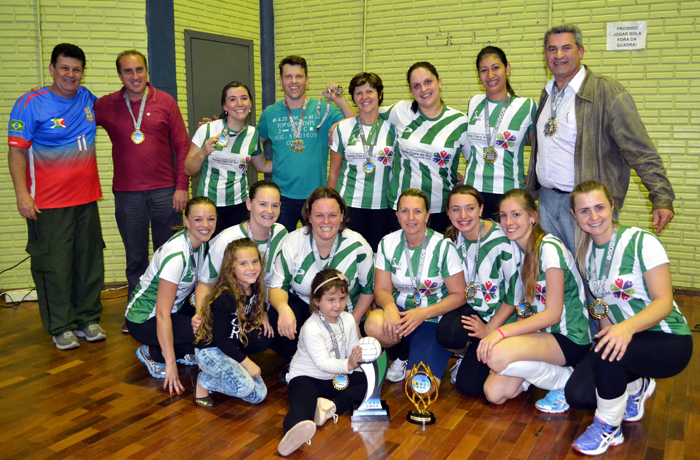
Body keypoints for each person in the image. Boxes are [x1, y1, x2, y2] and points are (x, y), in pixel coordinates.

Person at [564, 181, 691, 456]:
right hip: (629, 337)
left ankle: (609, 428)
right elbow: (602, 307)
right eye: (584, 211)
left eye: (599, 207)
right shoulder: (586, 253)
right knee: (578, 395)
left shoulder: (642, 241)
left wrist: (623, 331)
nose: (594, 217)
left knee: (607, 355)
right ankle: (637, 384)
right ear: (574, 215)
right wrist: (605, 337)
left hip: (668, 339)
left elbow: (664, 302)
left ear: (612, 205)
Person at [526, 24, 674, 257]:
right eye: (552, 49)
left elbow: (639, 149)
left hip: (587, 206)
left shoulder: (606, 92)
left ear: (581, 51)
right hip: (546, 203)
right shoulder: (547, 94)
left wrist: (661, 197)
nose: (559, 55)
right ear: (545, 55)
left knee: (591, 275)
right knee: (556, 271)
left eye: (566, 48)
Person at [8, 43, 106, 350]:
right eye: (64, 68)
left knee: (88, 262)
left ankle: (86, 318)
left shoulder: (88, 99)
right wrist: (23, 195)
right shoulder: (30, 103)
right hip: (48, 204)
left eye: (76, 69)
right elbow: (16, 153)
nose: (70, 75)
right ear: (52, 69)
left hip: (86, 199)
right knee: (54, 266)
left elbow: (121, 112)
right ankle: (60, 325)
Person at [94, 49, 190, 314]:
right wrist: (48, 91)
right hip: (127, 195)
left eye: (139, 70)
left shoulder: (165, 101)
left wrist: (182, 186)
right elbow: (75, 105)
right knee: (135, 259)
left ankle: (167, 310)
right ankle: (136, 313)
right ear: (120, 75)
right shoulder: (107, 105)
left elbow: (182, 145)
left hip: (165, 193)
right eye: (128, 71)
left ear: (146, 71)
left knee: (167, 256)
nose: (135, 76)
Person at [478, 189, 590, 411]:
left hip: (569, 338)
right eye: (503, 215)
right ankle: (538, 375)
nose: (508, 222)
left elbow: (552, 314)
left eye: (516, 214)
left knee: (496, 354)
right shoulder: (522, 253)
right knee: (495, 393)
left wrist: (500, 335)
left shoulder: (549, 248)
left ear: (533, 217)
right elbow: (520, 306)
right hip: (543, 337)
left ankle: (564, 380)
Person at [365, 189, 465, 384]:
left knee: (420, 388)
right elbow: (381, 290)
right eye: (404, 211)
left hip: (431, 320)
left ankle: (427, 354)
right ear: (397, 215)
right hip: (402, 315)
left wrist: (424, 313)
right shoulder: (387, 242)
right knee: (374, 323)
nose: (411, 218)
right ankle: (403, 356)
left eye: (417, 212)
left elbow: (459, 295)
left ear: (428, 215)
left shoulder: (443, 246)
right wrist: (390, 307)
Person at [268, 187, 375, 363]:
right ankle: (302, 361)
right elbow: (277, 286)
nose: (326, 221)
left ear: (342, 216)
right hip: (305, 308)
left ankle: (325, 360)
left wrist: (353, 322)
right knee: (275, 319)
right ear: (309, 217)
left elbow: (368, 289)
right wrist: (283, 309)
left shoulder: (358, 245)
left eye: (332, 215)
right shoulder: (293, 242)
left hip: (344, 311)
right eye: (319, 215)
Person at [125, 197, 216, 395]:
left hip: (173, 308)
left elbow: (200, 286)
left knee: (208, 320)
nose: (206, 225)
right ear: (186, 220)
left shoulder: (200, 244)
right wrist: (171, 364)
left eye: (211, 219)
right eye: (198, 219)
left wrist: (199, 313)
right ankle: (152, 352)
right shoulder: (177, 255)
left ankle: (182, 347)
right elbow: (162, 314)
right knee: (207, 330)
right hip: (144, 319)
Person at [435, 185, 520, 396]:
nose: (463, 216)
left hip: (504, 318)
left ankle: (513, 365)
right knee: (447, 332)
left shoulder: (504, 239)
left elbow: (515, 295)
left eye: (470, 208)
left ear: (481, 209)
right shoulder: (453, 240)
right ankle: (470, 352)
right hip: (475, 311)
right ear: (447, 212)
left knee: (470, 386)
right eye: (455, 209)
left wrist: (490, 329)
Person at [257, 55, 355, 231]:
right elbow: (252, 140)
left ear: (307, 80)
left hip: (316, 197)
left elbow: (356, 125)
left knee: (317, 247)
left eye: (299, 76)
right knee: (279, 247)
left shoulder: (324, 109)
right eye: (288, 77)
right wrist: (223, 127)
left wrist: (339, 99)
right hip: (281, 197)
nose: (293, 82)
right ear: (280, 81)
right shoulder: (270, 113)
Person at [277, 269, 366, 457]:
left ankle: (329, 407)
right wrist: (349, 365)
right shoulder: (311, 327)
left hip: (336, 376)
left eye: (342, 299)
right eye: (331, 300)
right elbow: (323, 363)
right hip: (307, 377)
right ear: (317, 301)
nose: (338, 305)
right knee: (302, 407)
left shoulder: (348, 319)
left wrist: (360, 357)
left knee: (368, 384)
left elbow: (352, 348)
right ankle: (291, 435)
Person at [379, 62, 470, 233]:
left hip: (440, 209)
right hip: (402, 208)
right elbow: (366, 113)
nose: (423, 89)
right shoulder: (401, 111)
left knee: (438, 258)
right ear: (411, 91)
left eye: (428, 82)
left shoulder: (460, 121)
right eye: (416, 86)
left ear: (439, 82)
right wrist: (340, 122)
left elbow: (477, 162)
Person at [192, 238, 273, 407]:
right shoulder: (226, 296)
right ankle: (203, 380)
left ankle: (223, 377)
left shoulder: (254, 289)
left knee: (259, 395)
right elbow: (221, 339)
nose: (251, 268)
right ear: (231, 268)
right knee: (244, 387)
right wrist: (246, 362)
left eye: (254, 262)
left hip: (230, 349)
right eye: (243, 264)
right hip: (211, 351)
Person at [186, 81, 272, 237]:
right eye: (232, 99)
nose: (239, 103)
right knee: (210, 255)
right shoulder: (208, 129)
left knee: (236, 255)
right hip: (208, 205)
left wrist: (296, 163)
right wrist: (203, 152)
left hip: (240, 205)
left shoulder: (253, 134)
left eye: (244, 98)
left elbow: (263, 166)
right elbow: (188, 169)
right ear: (225, 107)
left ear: (250, 103)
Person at [464, 46, 537, 219]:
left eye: (496, 68)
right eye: (484, 70)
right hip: (473, 192)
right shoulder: (474, 102)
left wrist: (534, 177)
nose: (490, 75)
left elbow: (542, 148)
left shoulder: (526, 106)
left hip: (509, 192)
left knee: (509, 244)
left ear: (508, 68)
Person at [328, 72, 397, 251]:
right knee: (348, 254)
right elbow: (334, 171)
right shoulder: (342, 128)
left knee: (376, 255)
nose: (364, 97)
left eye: (369, 91)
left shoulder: (394, 129)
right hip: (349, 204)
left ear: (380, 94)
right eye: (358, 93)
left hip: (382, 206)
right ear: (353, 98)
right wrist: (330, 203)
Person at [194, 180, 287, 311]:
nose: (269, 211)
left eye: (275, 205)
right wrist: (200, 316)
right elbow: (205, 284)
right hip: (233, 311)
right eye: (262, 204)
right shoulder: (227, 239)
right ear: (249, 204)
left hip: (267, 308)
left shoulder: (281, 233)